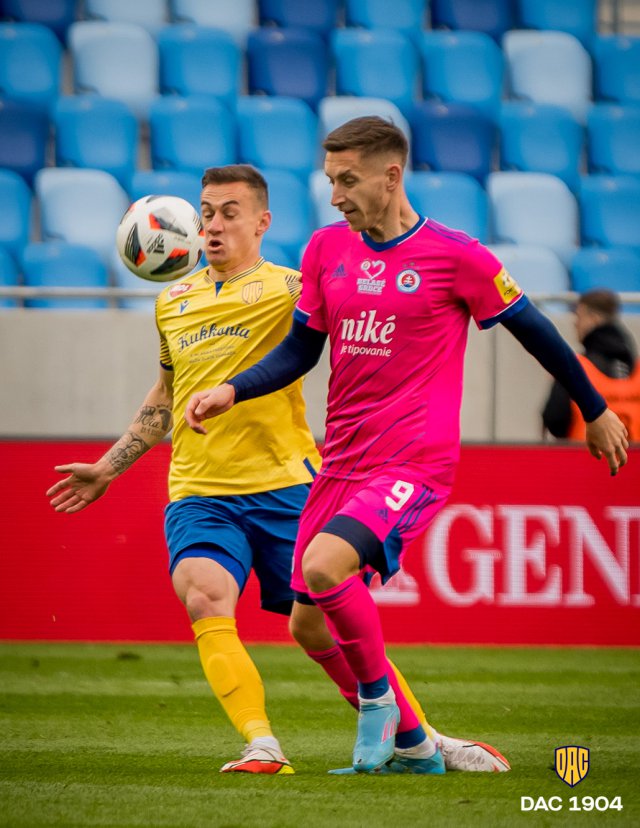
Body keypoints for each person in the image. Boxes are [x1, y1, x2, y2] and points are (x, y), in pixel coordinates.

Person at [184, 119, 629, 776]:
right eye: (331, 180)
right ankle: (417, 745)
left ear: (391, 176)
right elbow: (302, 349)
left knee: (325, 567)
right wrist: (234, 388)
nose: (335, 196)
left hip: (413, 460)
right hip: (341, 461)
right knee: (306, 624)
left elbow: (536, 330)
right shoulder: (326, 249)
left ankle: (378, 707)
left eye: (347, 180)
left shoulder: (458, 257)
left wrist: (593, 410)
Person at [46, 164, 508, 777]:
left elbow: (366, 321)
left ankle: (421, 738)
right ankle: (261, 745)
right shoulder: (171, 302)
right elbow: (164, 397)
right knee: (205, 596)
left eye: (228, 213)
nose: (213, 226)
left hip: (288, 486)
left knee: (320, 628)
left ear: (262, 222)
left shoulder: (293, 287)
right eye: (206, 214)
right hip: (199, 491)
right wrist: (109, 467)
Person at [542, 289, 640, 441]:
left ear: (593, 319)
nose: (575, 324)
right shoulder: (637, 368)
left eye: (579, 317)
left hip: (586, 454)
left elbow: (555, 421)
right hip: (633, 455)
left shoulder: (574, 367)